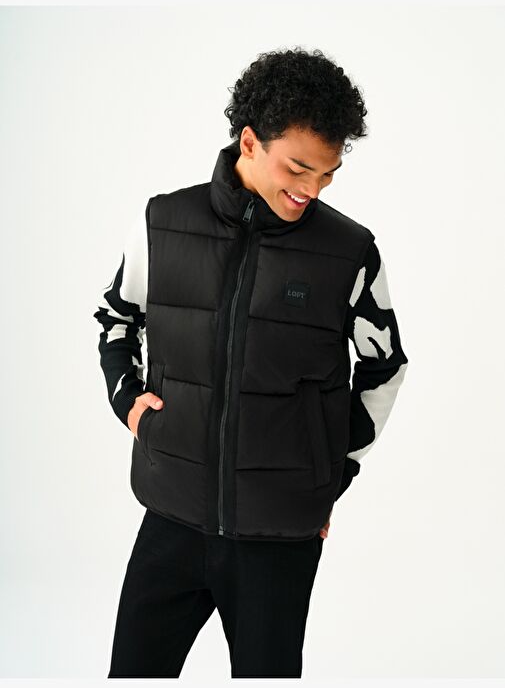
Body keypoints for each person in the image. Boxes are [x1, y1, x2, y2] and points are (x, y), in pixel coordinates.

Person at [93, 46, 409, 679]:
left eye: (327, 175)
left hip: (279, 538)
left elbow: (385, 366)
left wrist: (329, 474)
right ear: (249, 141)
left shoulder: (349, 252)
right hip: (171, 513)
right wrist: (129, 403)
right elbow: (116, 319)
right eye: (298, 168)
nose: (310, 190)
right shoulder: (164, 223)